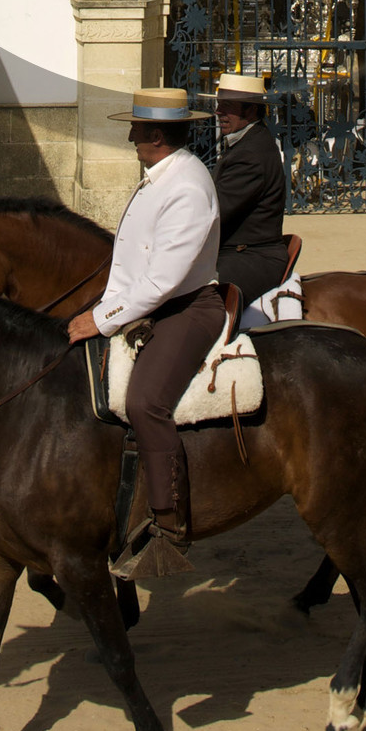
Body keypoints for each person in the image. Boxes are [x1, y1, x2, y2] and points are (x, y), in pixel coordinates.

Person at [67, 83, 221, 579]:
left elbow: (162, 279)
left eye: (135, 128)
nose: (130, 136)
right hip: (153, 304)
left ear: (154, 134)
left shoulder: (187, 186)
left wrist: (102, 318)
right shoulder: (163, 175)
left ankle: (168, 525)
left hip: (187, 308)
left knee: (145, 403)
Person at [208, 70, 289, 306]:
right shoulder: (246, 143)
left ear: (251, 110)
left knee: (199, 302)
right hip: (237, 250)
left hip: (250, 256)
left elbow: (215, 214)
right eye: (218, 104)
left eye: (228, 106)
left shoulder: (250, 155)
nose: (219, 112)